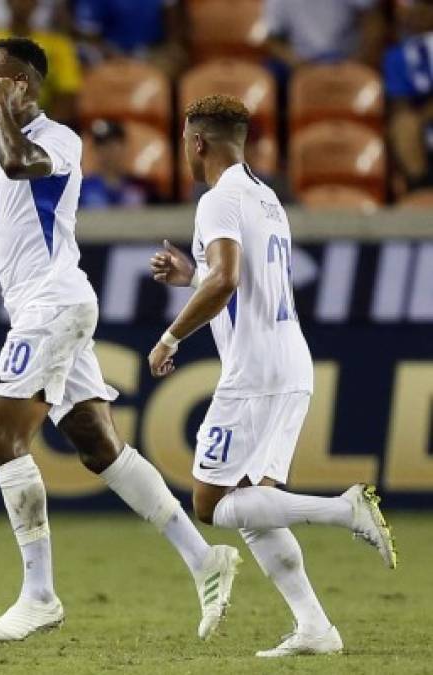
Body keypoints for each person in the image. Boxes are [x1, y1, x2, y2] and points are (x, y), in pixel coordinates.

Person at [0, 37, 239, 642]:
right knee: (98, 446)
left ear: (26, 85)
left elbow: (17, 163)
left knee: (2, 441)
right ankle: (204, 558)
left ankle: (39, 595)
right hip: (43, 309)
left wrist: (3, 108)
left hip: (53, 305)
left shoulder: (59, 141)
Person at [148, 94, 397, 658]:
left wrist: (170, 337)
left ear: (197, 142)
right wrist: (193, 277)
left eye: (186, 140)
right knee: (255, 504)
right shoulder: (265, 198)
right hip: (289, 361)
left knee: (210, 505)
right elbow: (237, 282)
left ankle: (344, 509)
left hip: (255, 371)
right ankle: (314, 627)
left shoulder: (218, 199)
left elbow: (227, 281)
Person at [0, 0, 81, 124]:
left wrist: (45, 131)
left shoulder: (59, 46)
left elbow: (67, 94)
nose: (22, 4)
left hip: (40, 122)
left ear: (36, 3)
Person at [384, 0, 433, 192]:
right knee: (403, 124)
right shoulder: (397, 56)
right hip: (421, 126)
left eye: (427, 6)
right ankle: (421, 189)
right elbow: (399, 104)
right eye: (415, 7)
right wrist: (423, 118)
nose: (420, 13)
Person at [80, 119, 159, 209]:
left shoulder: (142, 188)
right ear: (95, 150)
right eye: (102, 144)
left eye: (114, 144)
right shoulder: (81, 188)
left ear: (125, 147)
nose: (109, 150)